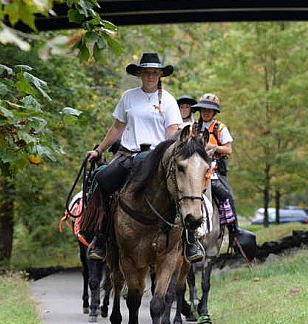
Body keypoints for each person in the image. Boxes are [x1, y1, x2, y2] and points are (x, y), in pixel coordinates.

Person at [84, 53, 204, 263]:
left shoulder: (167, 100)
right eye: (146, 72)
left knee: (180, 186)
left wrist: (170, 154)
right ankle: (101, 238)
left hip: (157, 158)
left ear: (160, 75)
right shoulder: (128, 97)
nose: (150, 76)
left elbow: (173, 131)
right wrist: (99, 150)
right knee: (102, 179)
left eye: (155, 73)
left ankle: (189, 239)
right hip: (129, 154)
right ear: (140, 74)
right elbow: (117, 128)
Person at [191, 93, 240, 240]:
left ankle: (234, 230)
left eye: (209, 110)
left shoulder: (220, 127)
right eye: (203, 109)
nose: (206, 112)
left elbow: (228, 149)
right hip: (196, 166)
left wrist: (213, 146)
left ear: (214, 112)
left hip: (215, 168)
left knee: (226, 195)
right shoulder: (193, 127)